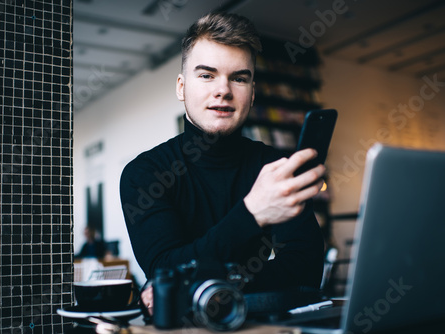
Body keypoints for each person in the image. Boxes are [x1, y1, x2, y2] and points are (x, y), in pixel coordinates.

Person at [120, 12, 326, 314]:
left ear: (252, 93)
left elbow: (306, 271)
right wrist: (252, 213)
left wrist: (203, 283)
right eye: (206, 75)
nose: (223, 90)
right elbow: (165, 268)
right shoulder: (145, 173)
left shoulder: (275, 167)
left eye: (239, 78)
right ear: (181, 87)